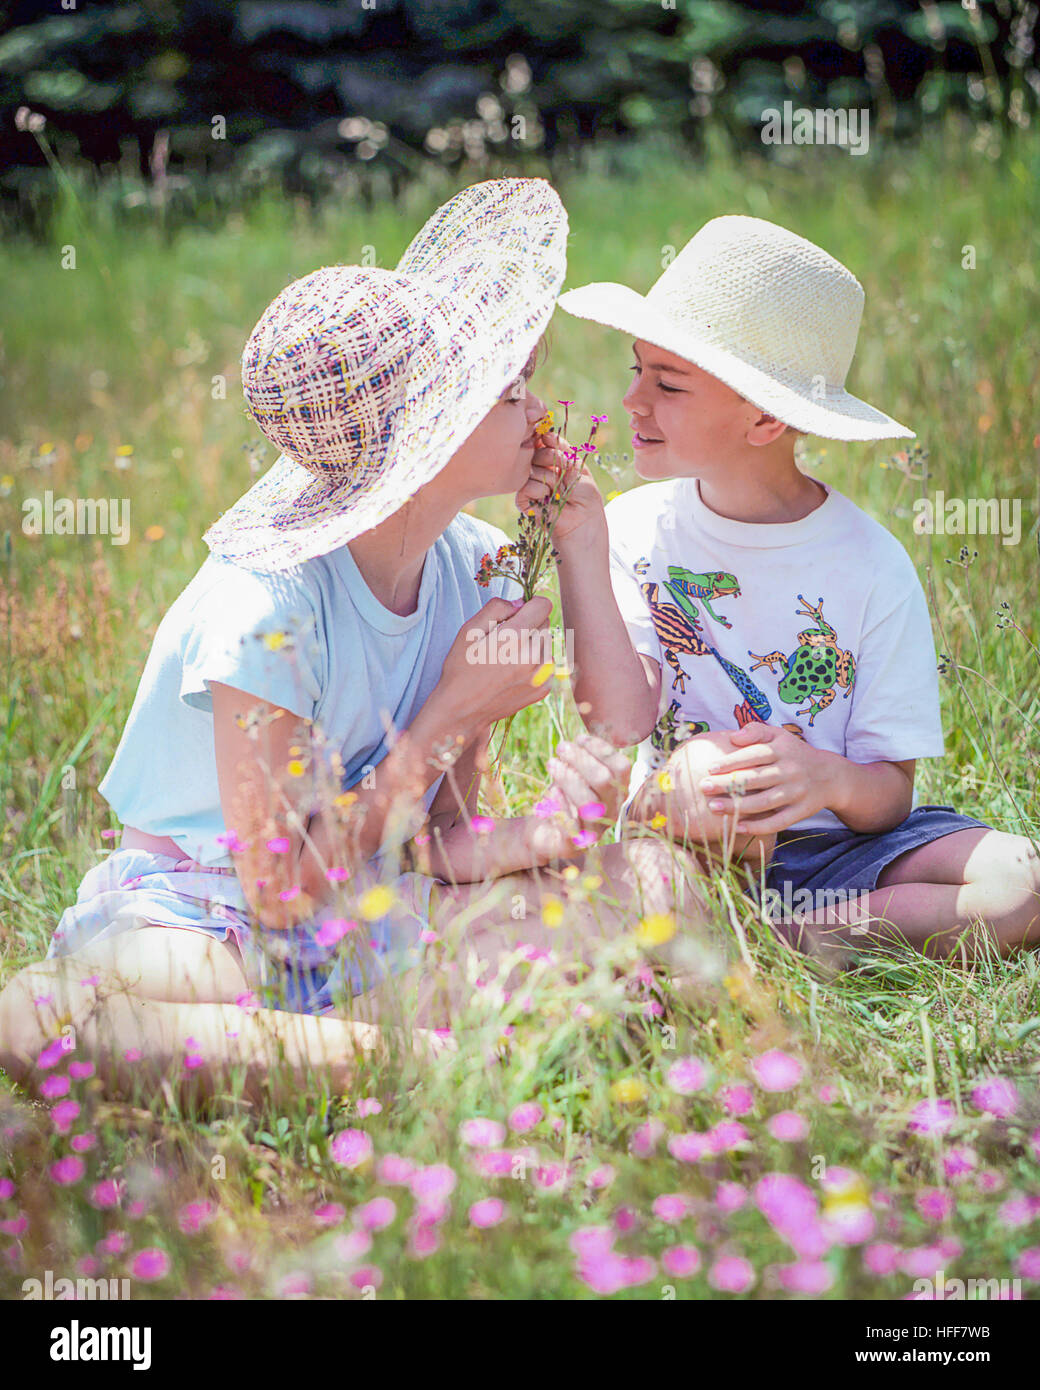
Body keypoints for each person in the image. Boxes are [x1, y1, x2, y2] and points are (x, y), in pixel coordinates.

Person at [0, 180, 705, 1106]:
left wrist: (581, 546)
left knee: (651, 878)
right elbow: (281, 890)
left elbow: (450, 832)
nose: (539, 418)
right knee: (44, 1017)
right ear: (426, 440)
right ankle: (412, 1050)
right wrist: (457, 706)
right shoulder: (266, 606)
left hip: (365, 898)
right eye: (509, 395)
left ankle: (307, 1053)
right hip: (208, 919)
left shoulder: (471, 566)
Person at [547, 213, 1039, 963]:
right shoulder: (636, 530)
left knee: (1023, 883)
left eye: (668, 381)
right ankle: (756, 927)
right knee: (714, 770)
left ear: (766, 417)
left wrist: (823, 778)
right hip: (694, 837)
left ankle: (788, 941)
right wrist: (580, 550)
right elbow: (619, 718)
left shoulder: (871, 564)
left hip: (840, 852)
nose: (633, 398)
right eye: (636, 367)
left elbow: (888, 796)